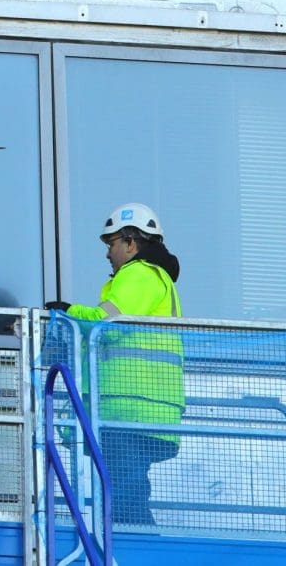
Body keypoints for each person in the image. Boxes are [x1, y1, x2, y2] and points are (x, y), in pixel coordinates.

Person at [45, 203, 184, 525]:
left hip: (130, 407)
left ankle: (135, 545)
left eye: (112, 244)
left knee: (124, 493)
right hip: (140, 407)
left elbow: (106, 325)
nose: (108, 253)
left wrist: (66, 312)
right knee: (124, 489)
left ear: (131, 243)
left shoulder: (140, 274)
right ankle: (132, 541)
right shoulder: (151, 279)